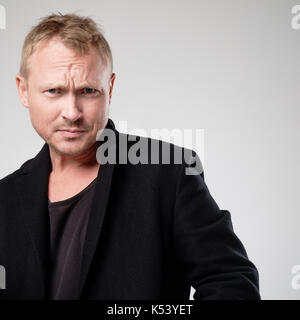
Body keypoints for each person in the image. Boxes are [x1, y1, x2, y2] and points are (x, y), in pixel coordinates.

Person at [0, 13, 260, 300]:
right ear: (23, 91)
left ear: (109, 89)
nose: (72, 112)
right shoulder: (6, 197)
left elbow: (232, 283)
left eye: (88, 91)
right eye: (54, 91)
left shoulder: (168, 170)